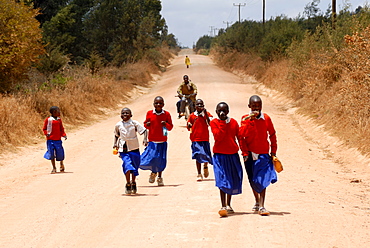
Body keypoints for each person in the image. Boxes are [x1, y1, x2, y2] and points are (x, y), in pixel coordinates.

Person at [239, 95, 278, 216]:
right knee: (252, 180)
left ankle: (262, 205)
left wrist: (273, 152)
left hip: (263, 154)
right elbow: (241, 137)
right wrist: (245, 152)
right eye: (254, 106)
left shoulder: (266, 118)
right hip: (249, 154)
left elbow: (272, 134)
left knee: (262, 179)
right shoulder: (245, 119)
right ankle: (256, 200)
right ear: (249, 106)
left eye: (259, 106)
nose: (256, 109)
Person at [210, 102, 243, 217]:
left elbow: (239, 138)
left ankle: (228, 204)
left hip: (232, 155)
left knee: (231, 179)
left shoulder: (233, 123)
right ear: (216, 112)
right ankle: (223, 205)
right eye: (219, 111)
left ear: (228, 111)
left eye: (224, 110)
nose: (222, 113)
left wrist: (244, 152)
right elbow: (218, 136)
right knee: (221, 180)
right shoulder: (214, 123)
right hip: (219, 156)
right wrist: (222, 123)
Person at [140, 96, 173, 186]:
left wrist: (165, 124)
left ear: (163, 104)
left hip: (162, 141)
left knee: (161, 160)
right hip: (152, 141)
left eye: (160, 103)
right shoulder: (150, 113)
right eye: (156, 103)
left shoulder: (166, 114)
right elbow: (145, 125)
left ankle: (159, 177)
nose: (158, 105)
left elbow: (170, 127)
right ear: (153, 104)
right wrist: (147, 124)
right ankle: (153, 172)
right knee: (152, 158)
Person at [113, 107, 148, 195]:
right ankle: (128, 183)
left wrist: (145, 139)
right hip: (123, 149)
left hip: (134, 148)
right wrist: (115, 144)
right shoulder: (118, 125)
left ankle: (133, 182)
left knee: (134, 166)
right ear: (120, 115)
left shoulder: (134, 123)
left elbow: (144, 131)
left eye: (127, 113)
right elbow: (116, 135)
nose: (125, 115)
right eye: (123, 113)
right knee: (127, 165)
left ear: (131, 115)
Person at [187, 99, 213, 181]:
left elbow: (210, 123)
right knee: (198, 155)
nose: (199, 107)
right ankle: (199, 173)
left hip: (204, 138)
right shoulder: (192, 116)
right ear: (195, 106)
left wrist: (205, 114)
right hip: (195, 139)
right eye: (198, 105)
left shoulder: (206, 114)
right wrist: (189, 125)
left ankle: (205, 165)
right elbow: (188, 126)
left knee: (205, 154)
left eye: (201, 105)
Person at [42, 106, 67, 174]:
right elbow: (44, 129)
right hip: (50, 140)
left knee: (60, 153)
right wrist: (46, 133)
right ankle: (54, 168)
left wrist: (63, 134)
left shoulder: (59, 120)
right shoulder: (48, 120)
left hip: (58, 140)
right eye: (58, 111)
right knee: (51, 154)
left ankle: (61, 164)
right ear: (54, 112)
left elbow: (61, 129)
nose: (59, 112)